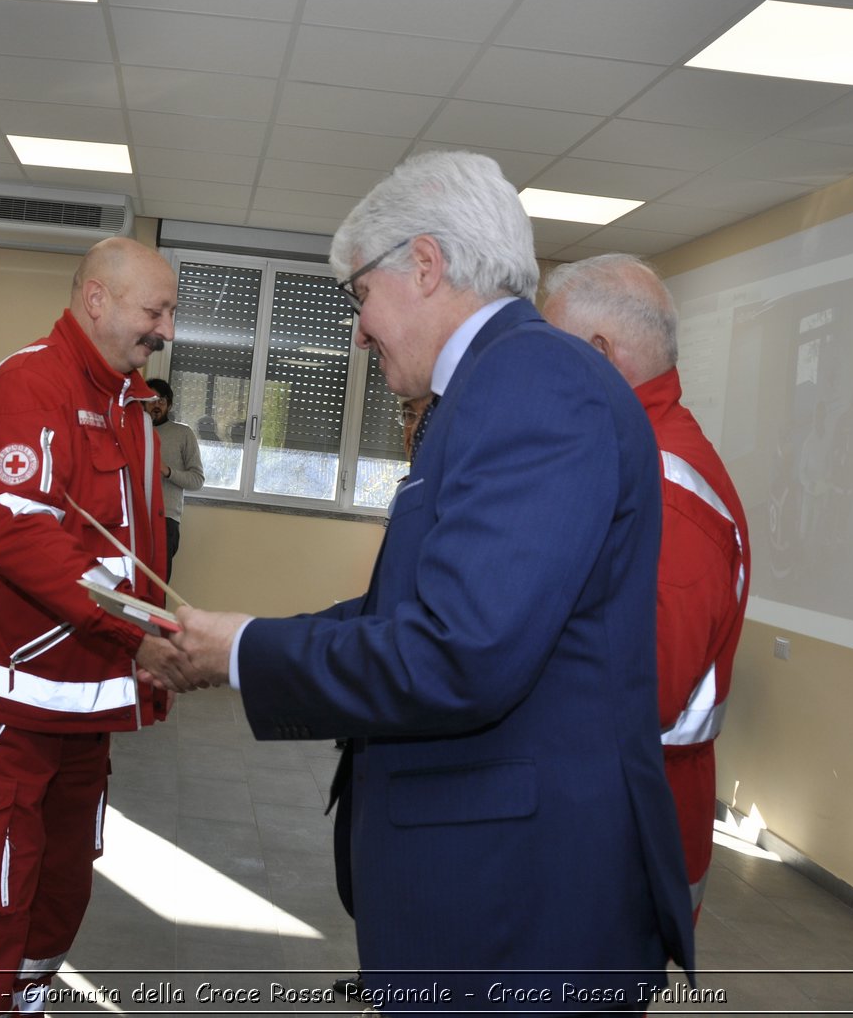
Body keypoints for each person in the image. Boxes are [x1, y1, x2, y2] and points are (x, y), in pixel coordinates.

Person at [150, 152, 694, 1010]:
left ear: (427, 264)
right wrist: (235, 643)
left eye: (358, 295)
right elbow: (414, 609)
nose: (358, 330)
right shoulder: (492, 388)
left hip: (517, 904)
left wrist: (248, 650)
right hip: (492, 882)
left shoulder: (533, 382)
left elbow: (460, 652)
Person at [0, 236, 185, 1016]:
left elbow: (126, 556)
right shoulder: (27, 386)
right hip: (1, 707)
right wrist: (142, 638)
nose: (166, 329)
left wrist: (153, 631)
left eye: (170, 311)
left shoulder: (129, 405)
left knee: (58, 893)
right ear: (97, 299)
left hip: (80, 704)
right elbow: (23, 539)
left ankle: (27, 1004)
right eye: (155, 310)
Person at [540, 253, 751, 921]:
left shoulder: (666, 489)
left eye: (554, 352)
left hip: (626, 830)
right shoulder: (622, 453)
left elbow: (647, 684)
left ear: (601, 353)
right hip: (599, 811)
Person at [144, 378, 203, 581]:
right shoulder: (129, 430)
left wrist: (167, 471)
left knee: (157, 586)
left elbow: (197, 480)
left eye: (162, 400)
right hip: (132, 518)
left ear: (169, 404)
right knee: (127, 586)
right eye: (151, 399)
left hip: (165, 519)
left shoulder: (182, 434)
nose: (156, 405)